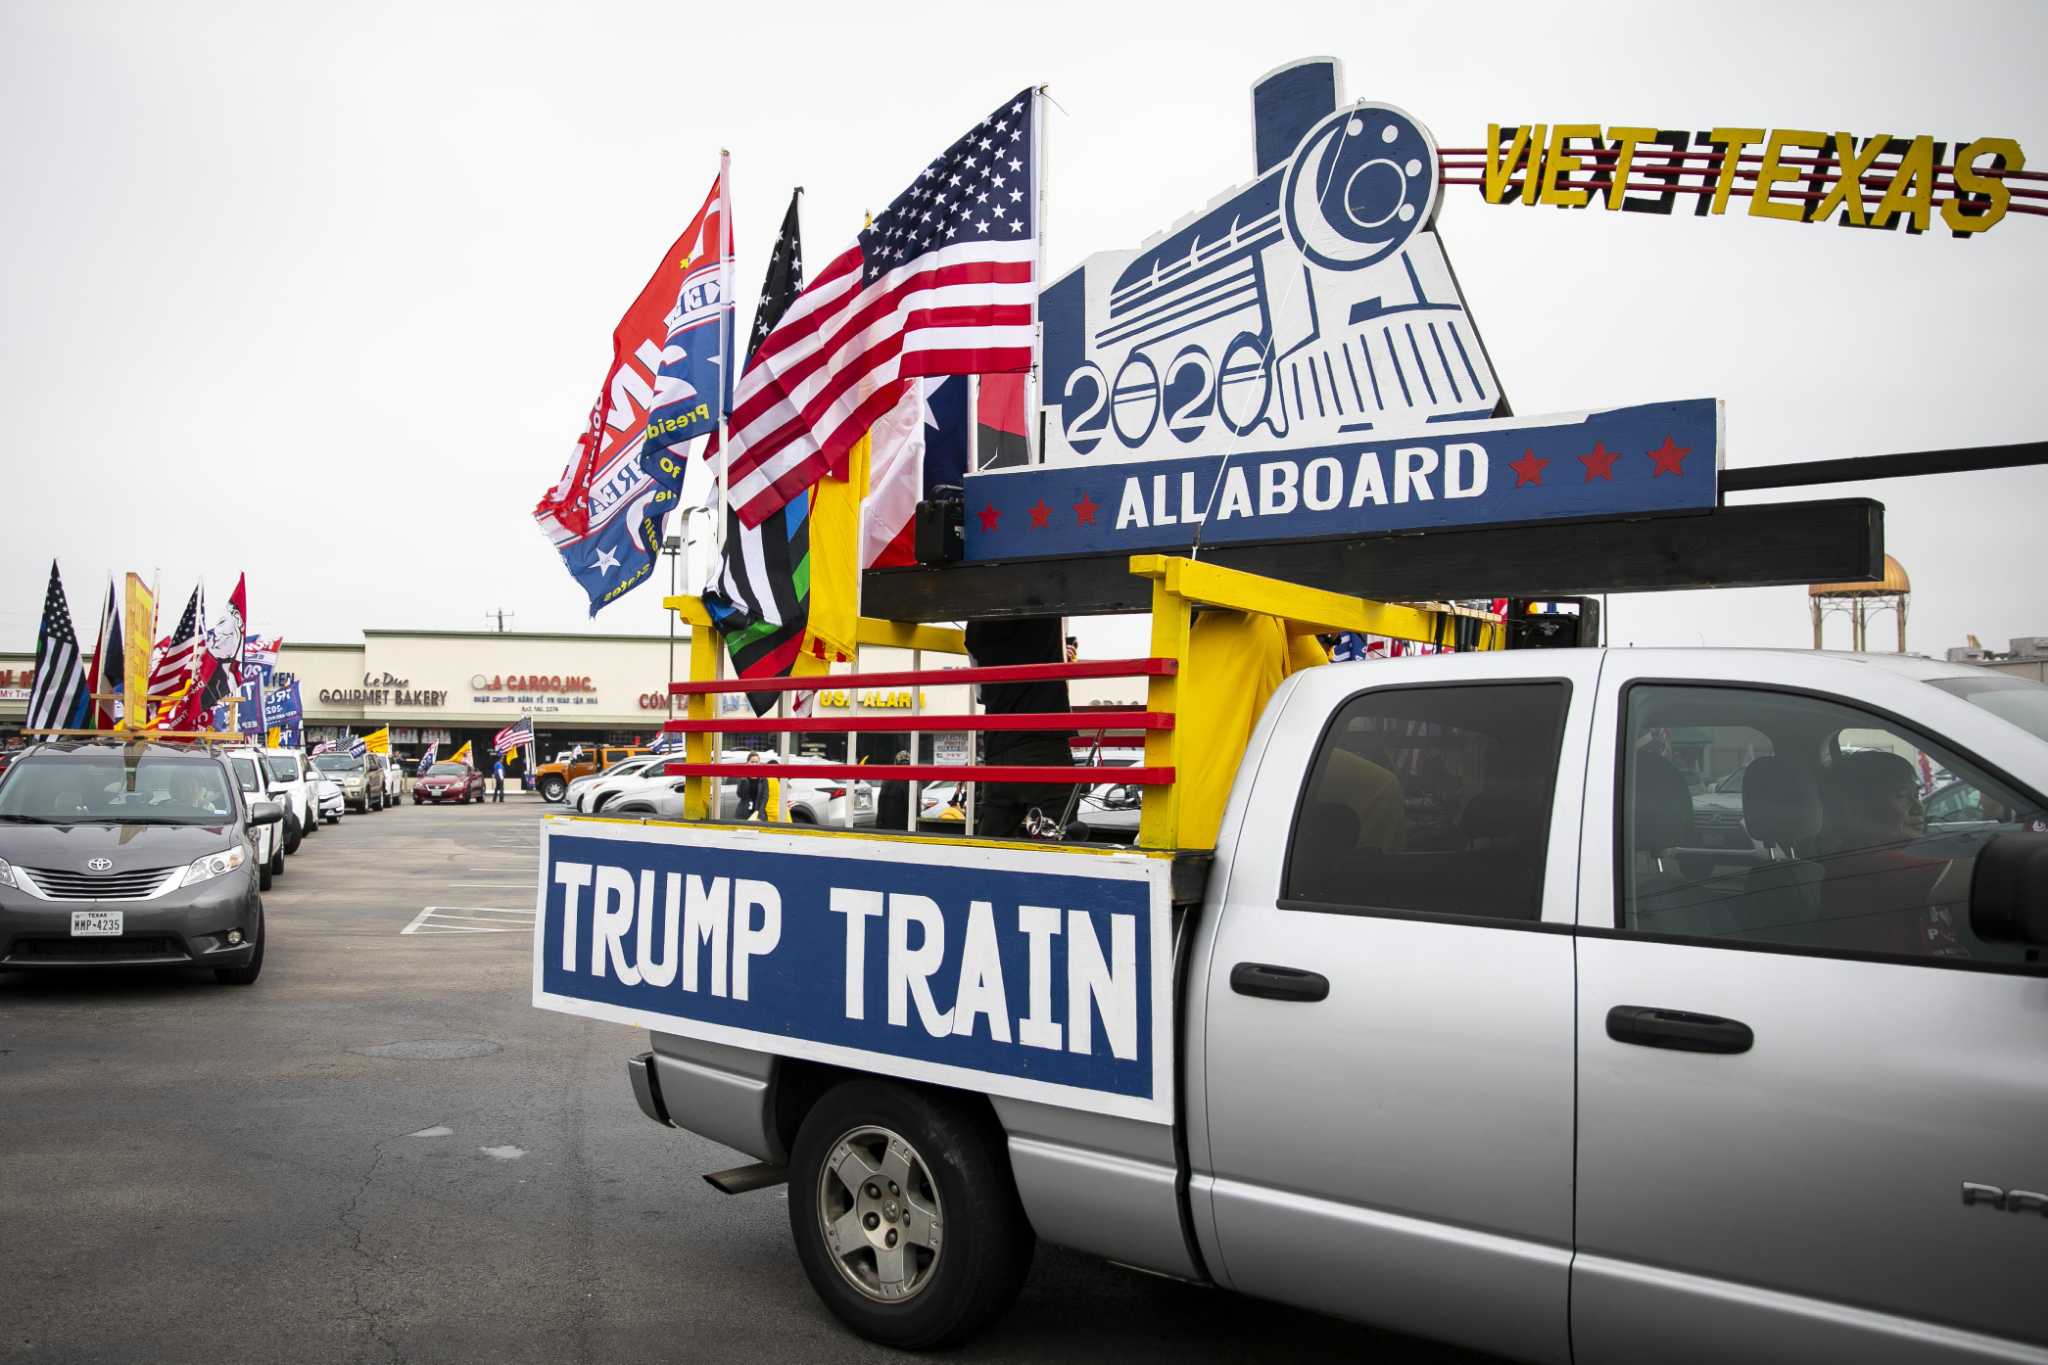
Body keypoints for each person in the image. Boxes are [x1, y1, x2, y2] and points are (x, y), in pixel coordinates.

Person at [877, 749, 911, 832]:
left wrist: (879, 824)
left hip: (886, 826)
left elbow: (881, 805)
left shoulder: (887, 780)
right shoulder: (909, 783)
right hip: (903, 828)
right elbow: (913, 808)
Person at [735, 752, 765, 821]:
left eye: (756, 762)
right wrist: (743, 780)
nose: (754, 764)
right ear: (747, 763)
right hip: (744, 812)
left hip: (758, 812)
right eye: (752, 762)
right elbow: (740, 794)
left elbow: (764, 796)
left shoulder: (763, 779)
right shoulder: (743, 777)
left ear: (759, 763)